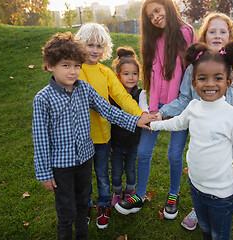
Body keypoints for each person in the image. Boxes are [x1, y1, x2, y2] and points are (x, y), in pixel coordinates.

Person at [32, 32, 153, 240]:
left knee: (82, 206)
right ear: (50, 65)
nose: (73, 71)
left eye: (77, 66)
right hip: (61, 166)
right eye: (66, 65)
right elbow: (41, 139)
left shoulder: (84, 89)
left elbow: (109, 111)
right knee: (66, 211)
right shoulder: (43, 99)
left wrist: (136, 120)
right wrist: (44, 173)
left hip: (84, 160)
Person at [156, 12, 233, 230]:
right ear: (204, 35)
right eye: (212, 31)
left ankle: (215, 207)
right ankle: (199, 207)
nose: (217, 35)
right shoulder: (194, 66)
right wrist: (161, 113)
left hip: (228, 134)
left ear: (230, 36)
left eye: (223, 31)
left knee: (221, 172)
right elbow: (184, 98)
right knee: (201, 169)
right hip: (202, 132)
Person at [115, 0, 197, 220]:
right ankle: (139, 196)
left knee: (173, 153)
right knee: (143, 152)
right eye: (150, 16)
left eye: (157, 11)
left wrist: (173, 107)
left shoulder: (186, 32)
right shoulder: (153, 39)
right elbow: (153, 76)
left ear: (168, 7)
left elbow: (187, 72)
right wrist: (152, 109)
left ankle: (173, 194)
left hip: (180, 105)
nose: (155, 17)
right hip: (157, 105)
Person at [74, 23, 145, 229]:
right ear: (80, 45)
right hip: (81, 137)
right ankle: (85, 206)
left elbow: (122, 97)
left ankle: (104, 205)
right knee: (83, 177)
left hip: (103, 136)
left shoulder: (106, 73)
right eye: (90, 45)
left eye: (99, 46)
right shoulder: (74, 70)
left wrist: (140, 115)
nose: (95, 50)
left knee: (103, 176)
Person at [109, 47, 149, 206]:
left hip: (133, 142)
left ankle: (130, 191)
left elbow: (144, 108)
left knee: (131, 170)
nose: (131, 78)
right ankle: (117, 192)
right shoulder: (112, 95)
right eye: (126, 74)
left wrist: (146, 115)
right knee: (117, 171)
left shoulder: (141, 94)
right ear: (118, 76)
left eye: (134, 74)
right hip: (116, 142)